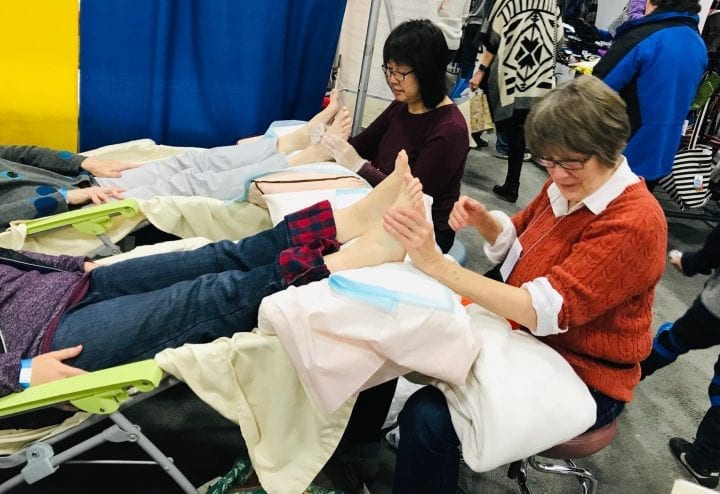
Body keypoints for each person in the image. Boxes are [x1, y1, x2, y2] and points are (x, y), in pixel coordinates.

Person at [376, 75, 667, 492]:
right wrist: (486, 224)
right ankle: (380, 449)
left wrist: (439, 266)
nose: (558, 174)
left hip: (587, 373)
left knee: (428, 415)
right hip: (529, 338)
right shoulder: (564, 183)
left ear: (610, 148)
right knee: (403, 335)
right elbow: (521, 248)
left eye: (570, 163)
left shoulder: (634, 221)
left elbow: (545, 309)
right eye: (548, 162)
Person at [0, 151, 420, 397]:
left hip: (62, 286)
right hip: (38, 345)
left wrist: (70, 265)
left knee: (215, 255)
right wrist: (17, 373)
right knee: (205, 295)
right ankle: (339, 263)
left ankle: (343, 224)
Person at [0, 94, 351, 228]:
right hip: (63, 211)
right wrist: (66, 198)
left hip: (79, 185)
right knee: (188, 184)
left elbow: (22, 154)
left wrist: (81, 163)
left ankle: (292, 142)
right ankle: (301, 159)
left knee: (186, 163)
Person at [320, 19, 469, 254]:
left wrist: (359, 166)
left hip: (421, 228)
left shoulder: (450, 131)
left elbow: (409, 199)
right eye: (389, 70)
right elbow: (361, 146)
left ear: (428, 73)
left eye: (401, 73)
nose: (392, 79)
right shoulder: (404, 105)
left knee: (324, 241)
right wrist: (333, 134)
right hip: (377, 203)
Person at [592, 0, 707, 191]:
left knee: (598, 215)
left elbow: (594, 91)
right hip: (660, 153)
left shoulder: (643, 36)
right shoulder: (696, 42)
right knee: (635, 213)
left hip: (621, 154)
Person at [640, 223, 720, 488]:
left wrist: (688, 263)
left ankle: (613, 386)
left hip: (715, 312)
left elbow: (715, 249)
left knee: (671, 341)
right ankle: (704, 460)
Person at [469, 0, 561, 203]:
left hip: (506, 76)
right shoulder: (552, 5)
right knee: (519, 130)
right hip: (536, 80)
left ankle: (452, 165)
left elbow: (492, 38)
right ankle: (512, 185)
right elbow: (559, 40)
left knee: (477, 116)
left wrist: (481, 71)